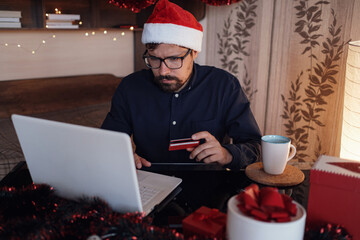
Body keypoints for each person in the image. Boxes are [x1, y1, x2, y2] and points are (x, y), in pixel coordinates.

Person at [102, 0, 262, 213]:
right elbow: (107, 143)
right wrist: (122, 157)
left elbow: (256, 147)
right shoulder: (131, 87)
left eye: (174, 59)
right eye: (154, 60)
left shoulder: (224, 86)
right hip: (146, 191)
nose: (163, 71)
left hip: (208, 195)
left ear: (194, 53)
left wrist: (227, 154)